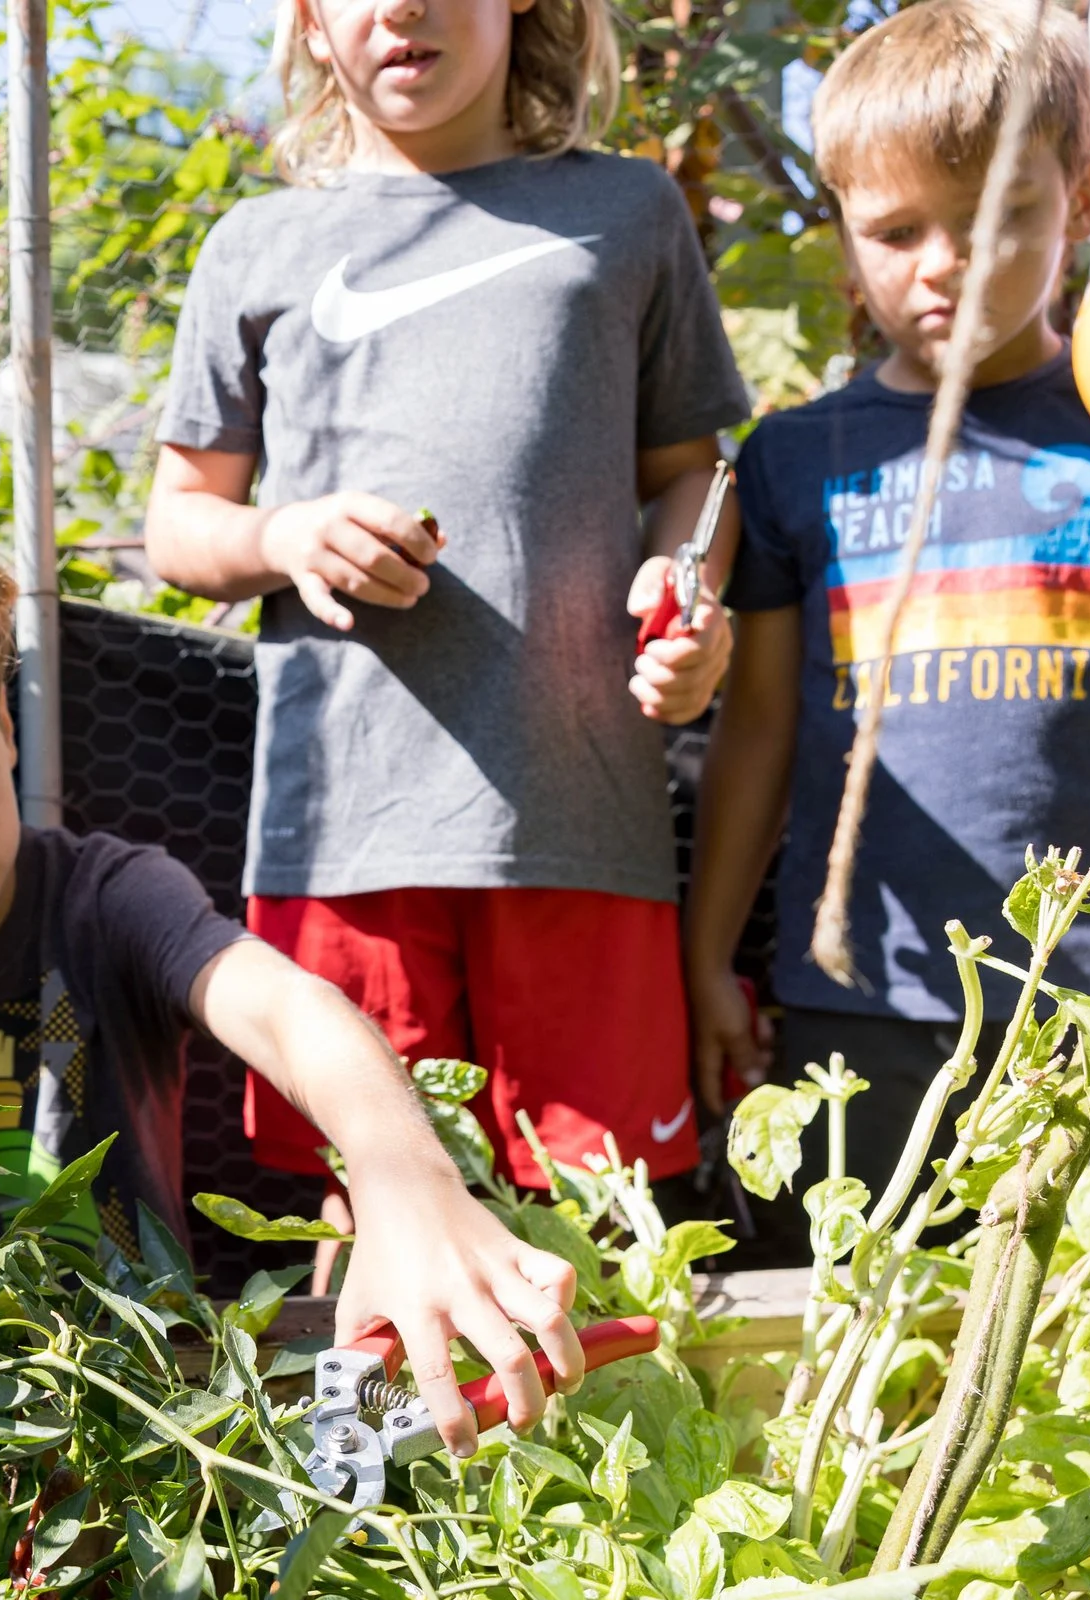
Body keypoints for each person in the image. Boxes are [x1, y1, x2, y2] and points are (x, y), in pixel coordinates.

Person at [0, 526, 585, 1449]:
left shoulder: (108, 898)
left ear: (7, 729)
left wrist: (405, 1179)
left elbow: (284, 1010)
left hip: (166, 1417)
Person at [139, 0, 752, 1216]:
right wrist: (283, 531)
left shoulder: (627, 212)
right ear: (310, 22)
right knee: (373, 1209)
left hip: (580, 821)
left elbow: (694, 469)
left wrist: (685, 589)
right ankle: (375, 1420)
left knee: (607, 1229)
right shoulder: (258, 243)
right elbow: (177, 522)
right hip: (346, 831)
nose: (401, 8)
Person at [684, 0, 1090, 1224]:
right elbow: (755, 734)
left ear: (1084, 195)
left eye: (998, 215)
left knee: (1085, 1366)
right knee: (853, 1349)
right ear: (846, 240)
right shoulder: (797, 458)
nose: (945, 263)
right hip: (858, 1007)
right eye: (897, 231)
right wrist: (705, 958)